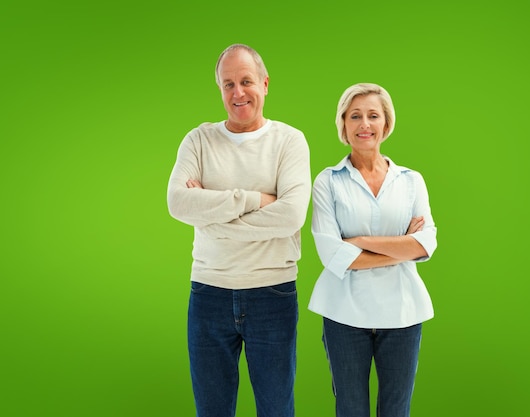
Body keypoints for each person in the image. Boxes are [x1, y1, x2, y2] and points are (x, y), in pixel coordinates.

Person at [167, 43, 311, 417]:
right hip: (208, 294)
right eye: (228, 84)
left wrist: (212, 218)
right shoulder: (198, 140)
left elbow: (291, 216)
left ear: (264, 84)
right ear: (219, 89)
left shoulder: (289, 142)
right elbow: (177, 204)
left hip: (272, 295)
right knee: (212, 411)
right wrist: (254, 199)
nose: (238, 93)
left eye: (246, 81)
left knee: (277, 409)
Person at [308, 83, 437, 417]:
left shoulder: (411, 181)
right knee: (350, 410)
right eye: (355, 116)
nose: (364, 124)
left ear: (386, 124)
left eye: (373, 115)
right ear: (344, 125)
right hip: (344, 315)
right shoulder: (328, 181)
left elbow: (425, 244)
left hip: (402, 314)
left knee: (396, 411)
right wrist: (401, 248)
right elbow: (332, 255)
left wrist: (360, 242)